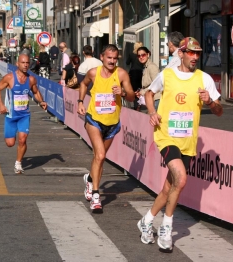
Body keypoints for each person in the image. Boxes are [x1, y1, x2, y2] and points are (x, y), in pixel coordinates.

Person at [137, 37, 223, 250]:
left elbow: (220, 111)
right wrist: (152, 112)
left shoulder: (204, 79)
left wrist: (210, 102)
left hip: (187, 141)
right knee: (182, 179)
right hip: (166, 136)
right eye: (191, 53)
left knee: (169, 187)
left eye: (198, 53)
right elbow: (149, 93)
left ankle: (146, 221)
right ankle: (167, 228)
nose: (194, 57)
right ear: (181, 54)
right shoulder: (167, 74)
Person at [77, 44, 135, 212]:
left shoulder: (122, 74)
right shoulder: (94, 73)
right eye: (109, 58)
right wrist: (81, 102)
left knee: (99, 157)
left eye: (115, 58)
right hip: (94, 119)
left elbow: (132, 96)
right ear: (102, 57)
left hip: (112, 124)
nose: (112, 61)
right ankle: (96, 195)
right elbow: (83, 84)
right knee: (101, 155)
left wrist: (122, 93)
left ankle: (89, 179)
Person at [0, 54, 48, 174]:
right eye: (23, 63)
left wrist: (42, 101)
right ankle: (17, 153)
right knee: (10, 143)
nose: (25, 65)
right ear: (17, 64)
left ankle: (18, 163)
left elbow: (36, 92)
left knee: (23, 140)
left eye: (27, 63)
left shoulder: (31, 79)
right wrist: (1, 105)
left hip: (24, 115)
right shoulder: (9, 78)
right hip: (11, 115)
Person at [126, 42, 144, 109]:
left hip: (133, 73)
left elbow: (127, 63)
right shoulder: (142, 55)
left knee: (134, 89)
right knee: (141, 88)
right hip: (141, 73)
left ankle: (135, 103)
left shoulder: (131, 54)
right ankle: (140, 103)